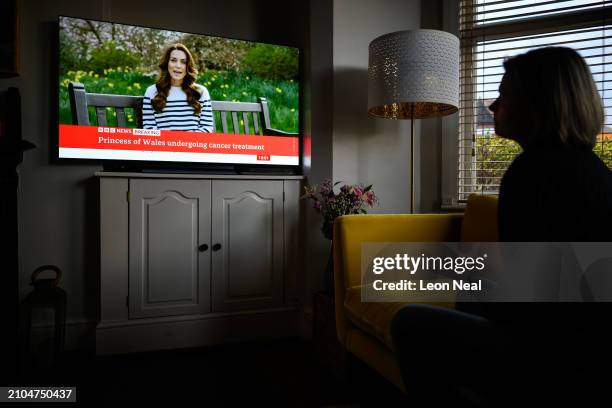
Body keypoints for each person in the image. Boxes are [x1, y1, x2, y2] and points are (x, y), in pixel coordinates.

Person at [391, 47, 612, 407]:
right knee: (471, 288)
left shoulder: (531, 173)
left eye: (505, 97)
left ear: (539, 105)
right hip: (585, 347)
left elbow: (529, 309)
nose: (493, 107)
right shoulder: (592, 170)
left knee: (407, 323)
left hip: (562, 360)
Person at [143, 43, 214, 132]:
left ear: (188, 66)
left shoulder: (201, 92)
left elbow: (207, 128)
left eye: (183, 62)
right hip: (164, 144)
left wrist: (185, 142)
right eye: (173, 60)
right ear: (167, 63)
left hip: (193, 145)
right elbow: (149, 129)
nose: (178, 66)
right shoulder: (152, 91)